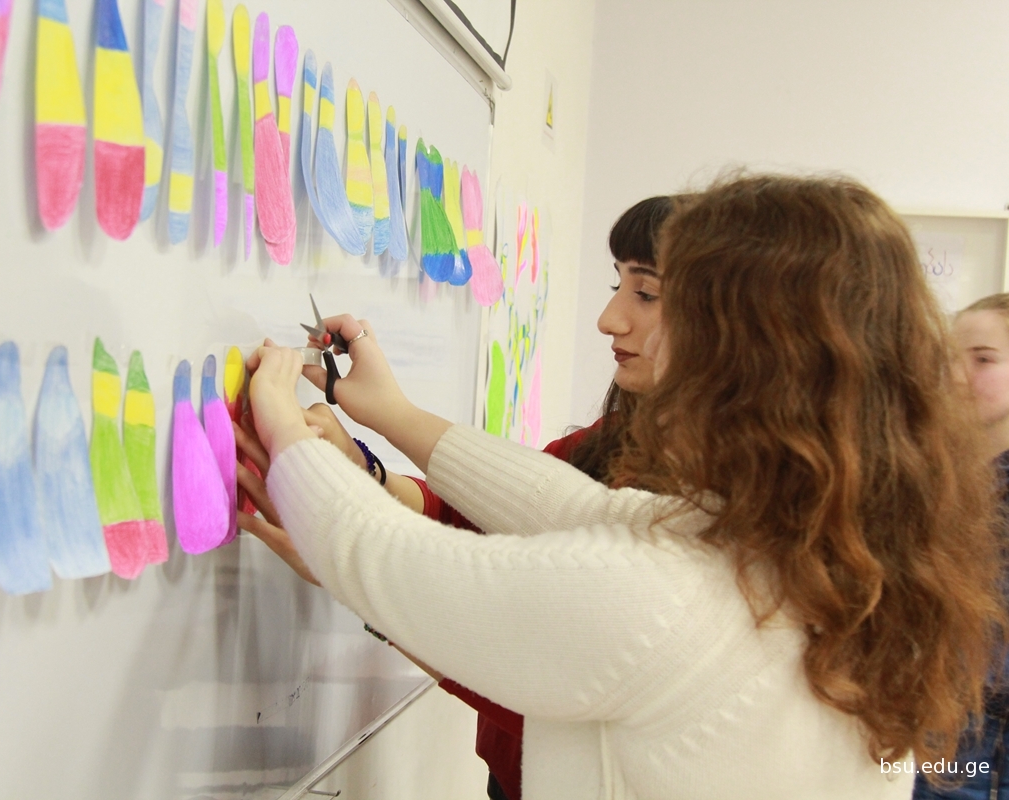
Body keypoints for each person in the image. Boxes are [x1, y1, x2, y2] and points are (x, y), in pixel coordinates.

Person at [242, 175, 1006, 799]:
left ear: (752, 355)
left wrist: (281, 422)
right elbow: (586, 509)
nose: (613, 319)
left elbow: (389, 560)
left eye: (661, 299)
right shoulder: (826, 552)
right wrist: (396, 417)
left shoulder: (674, 596)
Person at [237, 196, 674, 800]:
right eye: (617, 285)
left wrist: (347, 560)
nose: (608, 318)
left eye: (645, 294)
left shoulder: (705, 533)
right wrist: (365, 468)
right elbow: (482, 523)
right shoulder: (611, 441)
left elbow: (543, 686)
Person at [914, 293, 1009, 799]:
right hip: (926, 720)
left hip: (985, 739)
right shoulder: (939, 472)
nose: (955, 375)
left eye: (983, 359)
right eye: (950, 358)